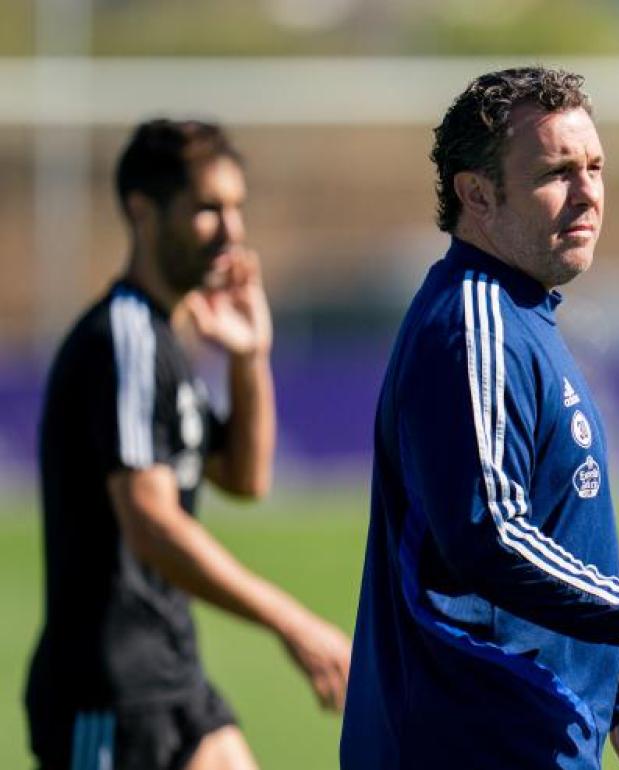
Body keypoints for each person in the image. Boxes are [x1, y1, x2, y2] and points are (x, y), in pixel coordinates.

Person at [339, 66, 619, 770]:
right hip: (470, 741)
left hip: (532, 733)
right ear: (478, 194)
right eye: (557, 172)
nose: (588, 194)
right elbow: (494, 538)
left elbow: (562, 536)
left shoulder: (525, 315)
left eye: (595, 167)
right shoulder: (474, 327)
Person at [24, 119, 353, 770]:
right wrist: (292, 622)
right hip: (109, 692)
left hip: (172, 676)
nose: (232, 231)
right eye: (207, 209)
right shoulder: (124, 339)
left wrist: (249, 357)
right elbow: (150, 522)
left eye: (236, 208)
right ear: (143, 212)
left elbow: (244, 476)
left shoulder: (165, 339)